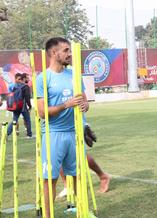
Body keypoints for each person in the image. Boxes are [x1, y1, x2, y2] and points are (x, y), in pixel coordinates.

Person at [37, 37, 88, 218]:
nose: (69, 54)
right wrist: (66, 105)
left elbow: (85, 102)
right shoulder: (44, 77)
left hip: (73, 133)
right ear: (54, 53)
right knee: (50, 179)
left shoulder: (74, 75)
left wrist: (84, 106)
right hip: (53, 134)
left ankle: (82, 212)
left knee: (78, 176)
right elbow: (42, 112)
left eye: (70, 50)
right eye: (66, 50)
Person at [7, 72, 32, 138]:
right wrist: (29, 106)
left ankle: (7, 133)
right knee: (27, 120)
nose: (28, 80)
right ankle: (29, 135)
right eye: (27, 78)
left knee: (14, 120)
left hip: (16, 106)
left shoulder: (15, 86)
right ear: (23, 79)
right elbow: (27, 98)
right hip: (23, 106)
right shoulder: (26, 87)